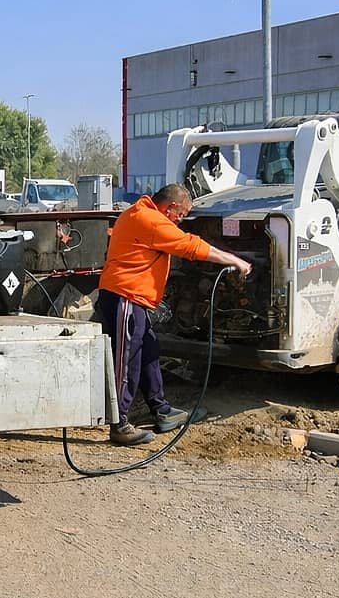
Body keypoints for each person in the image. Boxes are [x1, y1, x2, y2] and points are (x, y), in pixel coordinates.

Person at [98, 183, 252, 446]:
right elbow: (190, 245)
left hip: (132, 299)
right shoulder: (149, 219)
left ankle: (161, 409)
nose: (180, 220)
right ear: (170, 207)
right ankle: (119, 424)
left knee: (148, 351)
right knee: (127, 362)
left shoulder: (140, 213)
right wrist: (234, 260)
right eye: (181, 215)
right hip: (125, 298)